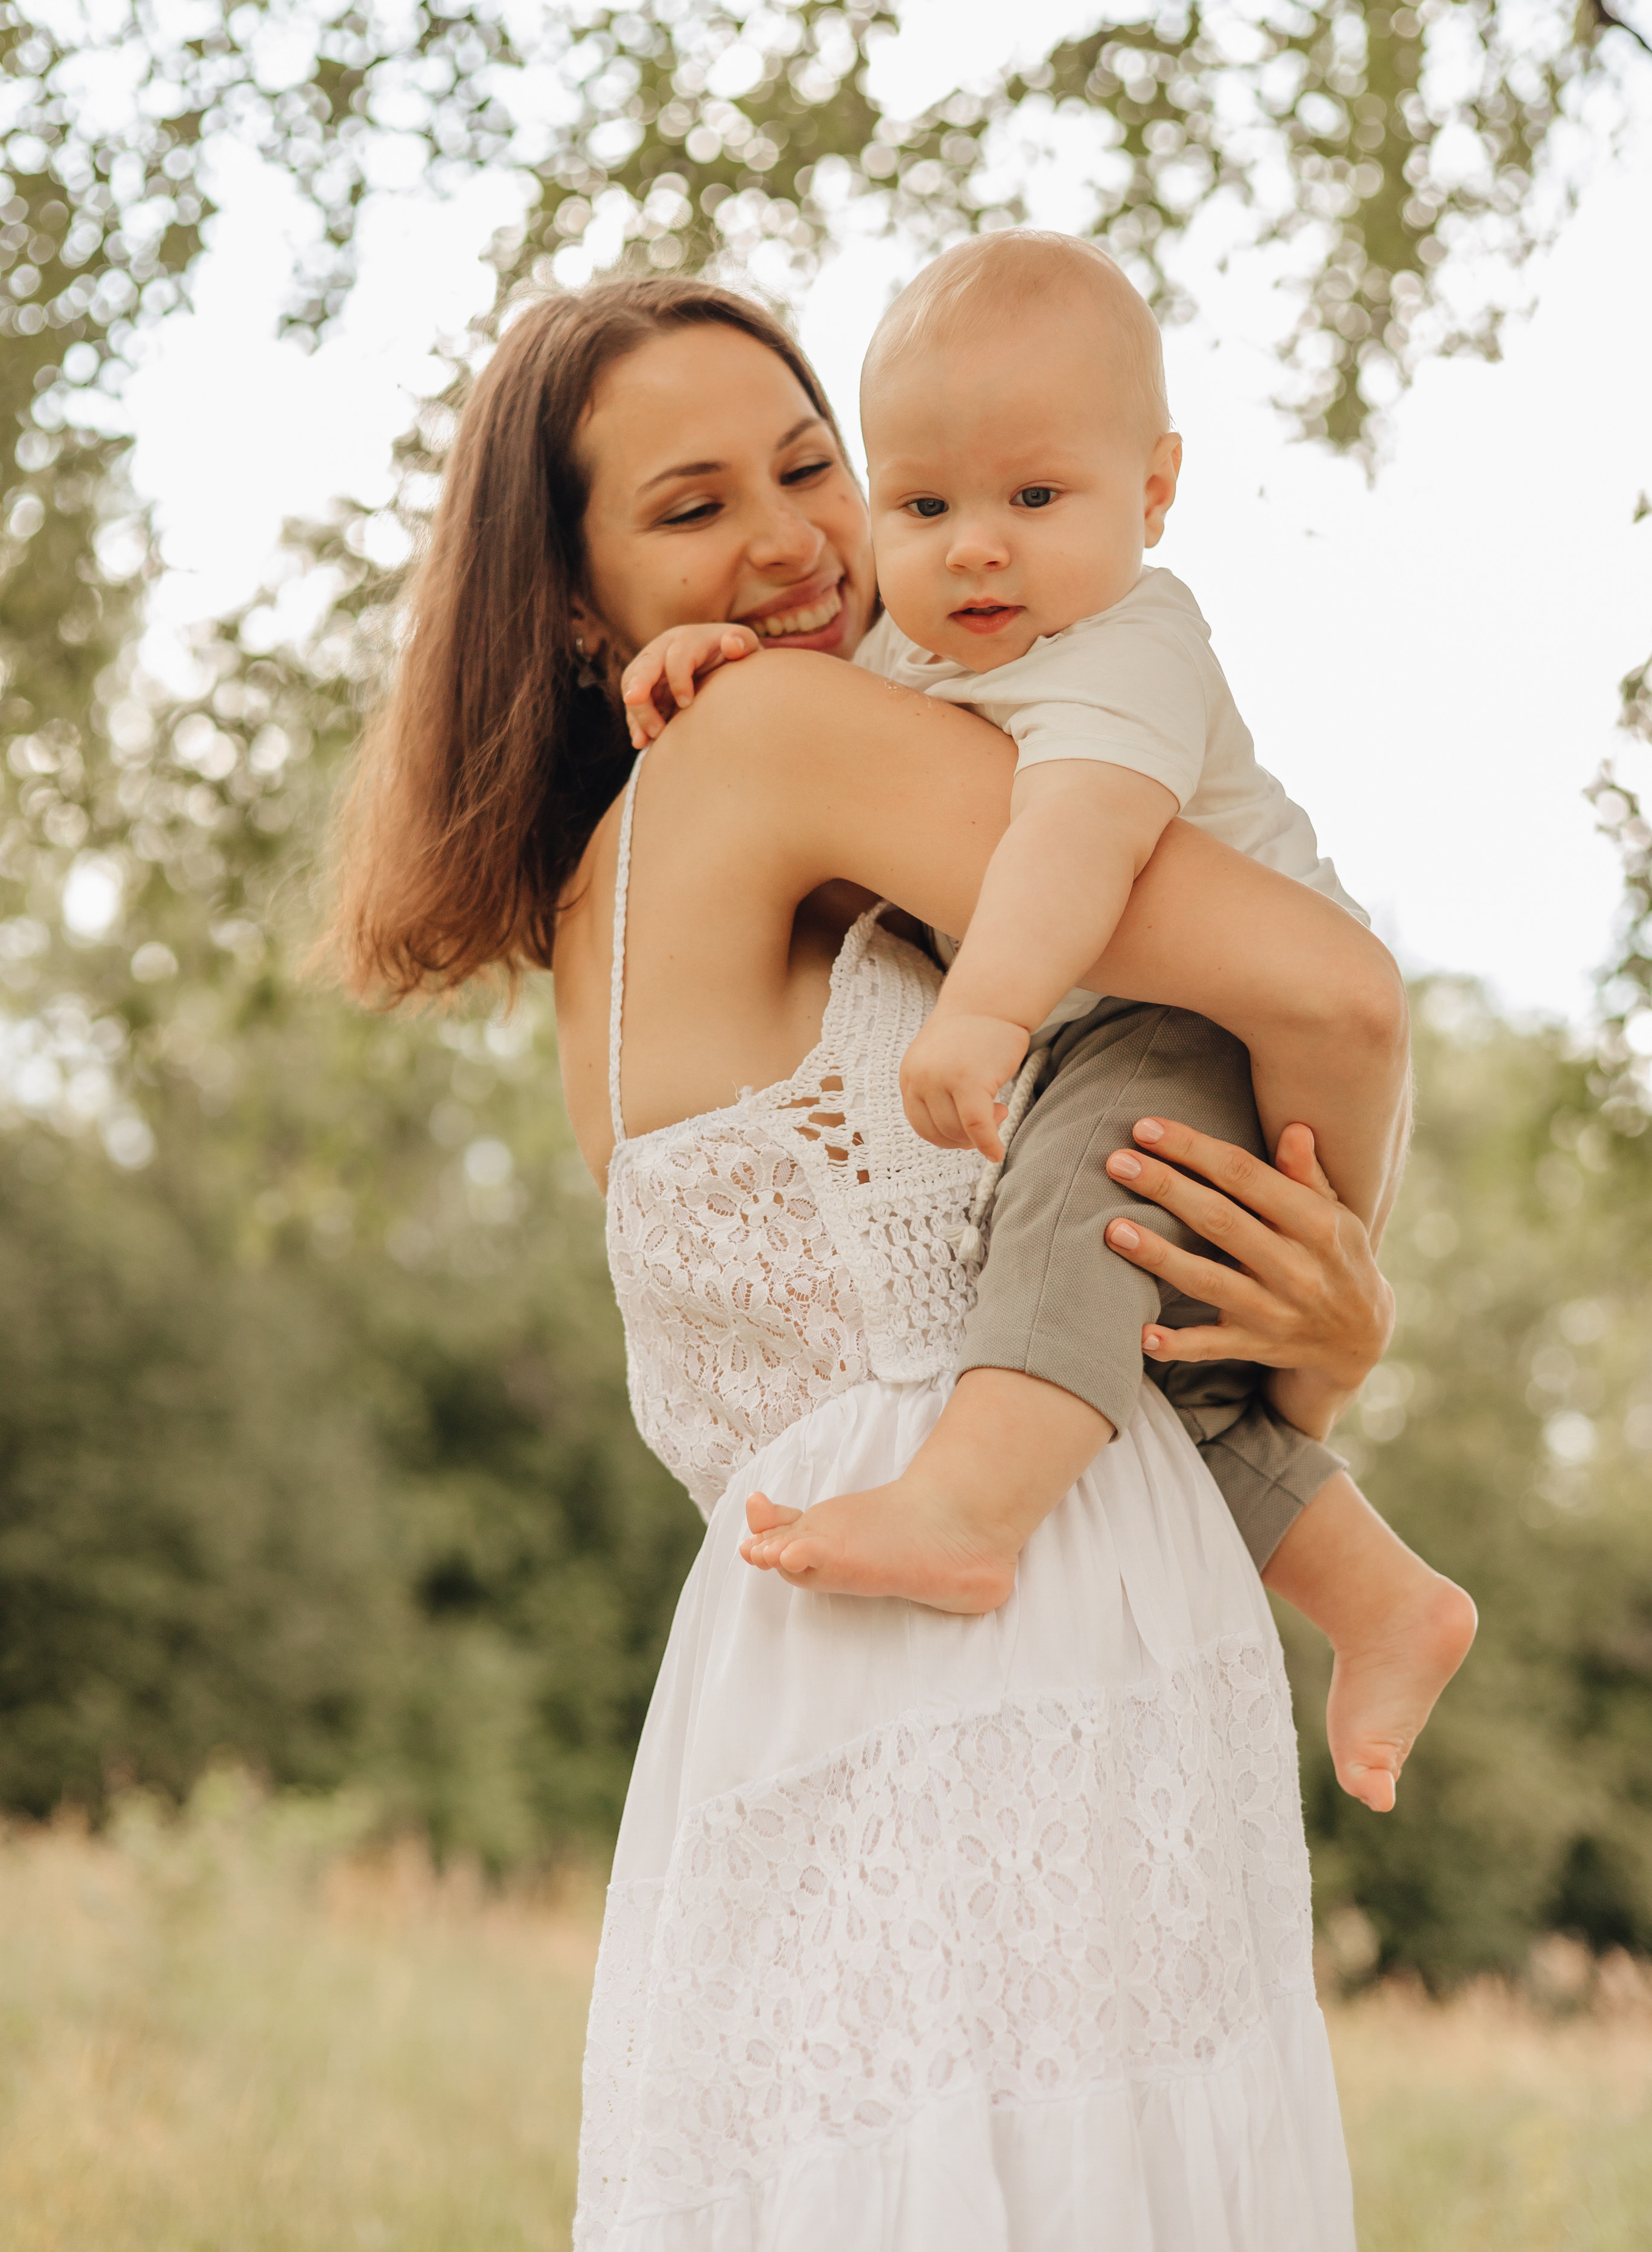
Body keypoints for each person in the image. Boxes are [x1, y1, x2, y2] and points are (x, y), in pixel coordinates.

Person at [329, 277, 1416, 2245]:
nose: (791, 540)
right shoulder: (778, 738)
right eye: (691, 508)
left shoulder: (637, 878)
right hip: (1017, 1641)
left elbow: (1100, 1282)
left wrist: (1317, 1334)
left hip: (816, 1669)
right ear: (572, 601)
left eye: (809, 465)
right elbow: (1336, 990)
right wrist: (1346, 1269)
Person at [621, 239, 1474, 1812]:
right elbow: (874, 708)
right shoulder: (921, 652)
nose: (972, 548)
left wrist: (986, 1012)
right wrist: (714, 662)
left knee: (1082, 1194)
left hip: (1184, 1021)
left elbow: (1075, 839)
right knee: (1155, 1372)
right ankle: (1383, 1600)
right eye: (921, 504)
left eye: (1031, 497)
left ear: (1152, 492)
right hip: (1128, 1025)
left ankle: (968, 1510)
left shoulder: (1125, 646)